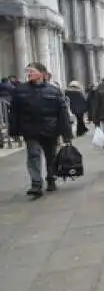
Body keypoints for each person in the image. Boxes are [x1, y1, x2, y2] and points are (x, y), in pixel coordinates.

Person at [9, 62, 72, 197]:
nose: (29, 74)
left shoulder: (54, 90)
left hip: (50, 130)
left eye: (32, 71)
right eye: (28, 72)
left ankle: (51, 178)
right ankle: (36, 184)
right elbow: (14, 112)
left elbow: (62, 113)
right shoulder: (20, 90)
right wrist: (13, 130)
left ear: (42, 74)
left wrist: (66, 134)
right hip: (30, 130)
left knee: (51, 156)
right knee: (33, 155)